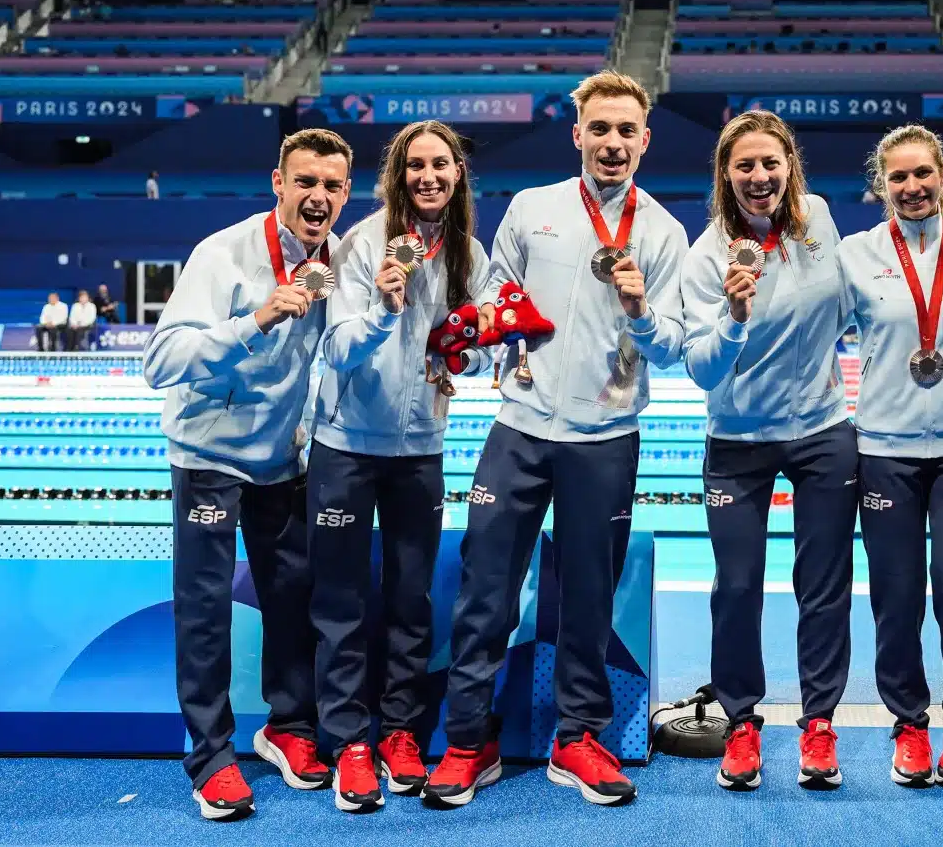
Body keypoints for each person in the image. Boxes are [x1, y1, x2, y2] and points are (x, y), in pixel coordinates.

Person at [427, 71, 687, 809]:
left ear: (644, 140)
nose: (611, 142)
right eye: (598, 129)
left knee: (588, 598)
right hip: (519, 429)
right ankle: (470, 741)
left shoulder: (664, 231)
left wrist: (639, 310)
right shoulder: (532, 209)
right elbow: (488, 310)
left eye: (624, 130)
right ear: (577, 134)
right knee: (485, 592)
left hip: (606, 437)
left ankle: (579, 737)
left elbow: (670, 348)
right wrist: (461, 354)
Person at [143, 128, 353, 821]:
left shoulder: (338, 262)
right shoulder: (223, 254)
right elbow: (160, 362)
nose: (317, 197)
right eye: (305, 182)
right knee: (204, 612)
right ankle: (210, 757)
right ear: (279, 184)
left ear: (345, 194)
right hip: (207, 458)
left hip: (281, 461)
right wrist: (256, 319)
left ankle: (290, 730)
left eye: (331, 186)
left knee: (293, 597)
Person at [308, 120, 490, 813]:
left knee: (412, 601)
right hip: (348, 444)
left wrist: (460, 355)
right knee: (342, 600)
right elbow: (337, 347)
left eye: (440, 165)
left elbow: (471, 345)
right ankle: (351, 741)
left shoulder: (464, 252)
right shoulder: (360, 243)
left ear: (457, 173)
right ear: (398, 174)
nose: (429, 177)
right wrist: (386, 310)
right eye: (416, 165)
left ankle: (402, 733)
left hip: (421, 450)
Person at [679, 110, 855, 792]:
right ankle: (743, 723)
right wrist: (733, 318)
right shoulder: (705, 258)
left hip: (822, 433)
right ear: (727, 174)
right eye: (745, 166)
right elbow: (699, 369)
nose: (760, 177)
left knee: (823, 588)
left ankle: (819, 723)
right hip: (737, 442)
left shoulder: (820, 220)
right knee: (737, 589)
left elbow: (842, 308)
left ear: (790, 166)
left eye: (770, 163)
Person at [837, 125, 943, 790]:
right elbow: (819, 330)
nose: (912, 187)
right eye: (898, 177)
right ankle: (908, 720)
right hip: (883, 447)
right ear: (881, 186)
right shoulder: (853, 254)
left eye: (923, 173)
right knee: (896, 596)